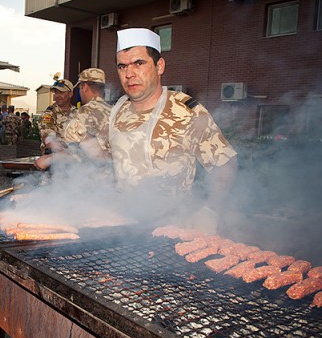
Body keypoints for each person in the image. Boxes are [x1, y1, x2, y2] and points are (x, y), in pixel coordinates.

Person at [109, 28, 238, 233]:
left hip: (173, 228)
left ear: (159, 66)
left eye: (139, 63)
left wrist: (210, 210)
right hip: (123, 227)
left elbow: (225, 164)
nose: (129, 74)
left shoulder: (186, 111)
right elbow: (110, 159)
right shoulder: (117, 110)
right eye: (122, 66)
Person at [63, 68, 111, 158]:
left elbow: (70, 152)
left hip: (89, 169)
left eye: (80, 88)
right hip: (113, 169)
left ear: (84, 87)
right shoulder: (115, 111)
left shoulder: (80, 113)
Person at [38, 78, 77, 155]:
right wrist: (66, 154)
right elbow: (48, 140)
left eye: (61, 92)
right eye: (56, 92)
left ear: (70, 94)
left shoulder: (78, 113)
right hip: (54, 161)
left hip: (75, 161)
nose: (57, 96)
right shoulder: (49, 114)